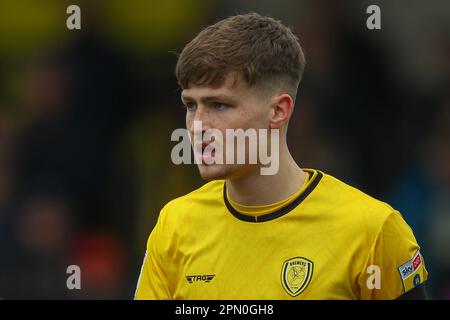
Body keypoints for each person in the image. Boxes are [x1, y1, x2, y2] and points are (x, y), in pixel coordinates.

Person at [134, 13, 428, 300]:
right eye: (190, 105)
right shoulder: (174, 226)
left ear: (278, 111)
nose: (198, 126)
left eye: (219, 105)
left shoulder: (373, 231)